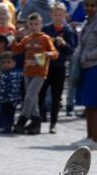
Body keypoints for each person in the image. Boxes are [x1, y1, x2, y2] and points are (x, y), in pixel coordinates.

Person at [73, 0, 97, 149]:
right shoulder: (88, 21)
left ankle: (95, 139)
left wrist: (88, 56)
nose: (89, 8)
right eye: (87, 5)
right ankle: (89, 137)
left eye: (93, 5)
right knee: (89, 104)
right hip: (86, 67)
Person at [11, 12, 58, 134]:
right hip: (28, 72)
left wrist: (48, 54)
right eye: (31, 24)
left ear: (41, 25)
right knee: (33, 99)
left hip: (40, 73)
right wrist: (14, 39)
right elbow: (17, 50)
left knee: (29, 97)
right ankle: (36, 122)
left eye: (36, 24)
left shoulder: (45, 39)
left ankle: (21, 121)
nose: (33, 26)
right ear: (27, 25)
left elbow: (55, 53)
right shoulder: (27, 39)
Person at [39, 2, 77, 132]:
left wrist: (64, 43)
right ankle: (41, 116)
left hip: (59, 66)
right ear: (51, 15)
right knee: (41, 92)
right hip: (46, 65)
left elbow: (71, 50)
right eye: (55, 15)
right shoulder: (46, 29)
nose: (58, 17)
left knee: (56, 96)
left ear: (65, 15)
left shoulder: (68, 30)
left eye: (60, 15)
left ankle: (53, 124)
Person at [0, 51, 23, 133]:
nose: (6, 65)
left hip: (12, 98)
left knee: (10, 113)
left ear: (14, 63)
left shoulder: (17, 73)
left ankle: (8, 127)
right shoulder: (3, 74)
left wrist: (18, 98)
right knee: (3, 112)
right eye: (3, 63)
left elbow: (19, 87)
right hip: (3, 98)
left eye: (9, 62)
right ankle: (5, 126)